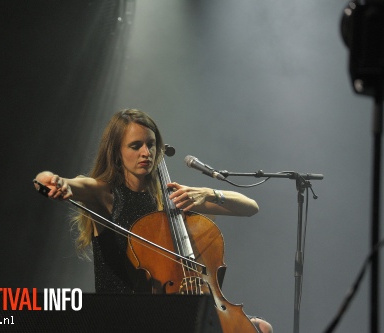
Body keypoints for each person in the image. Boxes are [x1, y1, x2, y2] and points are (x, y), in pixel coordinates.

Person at [34, 109, 273, 333]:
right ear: (116, 152)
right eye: (135, 146)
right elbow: (57, 181)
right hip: (124, 318)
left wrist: (209, 194)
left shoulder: (171, 200)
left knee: (262, 329)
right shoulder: (105, 194)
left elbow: (250, 207)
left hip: (171, 314)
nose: (146, 153)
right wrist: (53, 181)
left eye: (150, 144)